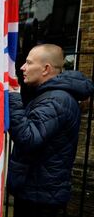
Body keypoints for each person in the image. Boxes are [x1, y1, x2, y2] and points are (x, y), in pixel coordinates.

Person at [7, 44, 94, 217]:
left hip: (40, 198)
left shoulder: (56, 100)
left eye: (29, 63)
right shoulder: (51, 95)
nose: (23, 67)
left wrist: (14, 99)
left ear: (46, 69)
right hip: (36, 191)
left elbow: (28, 138)